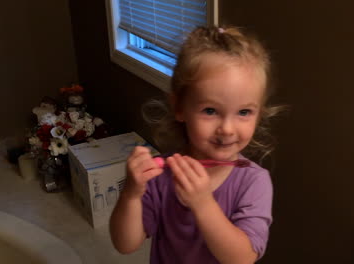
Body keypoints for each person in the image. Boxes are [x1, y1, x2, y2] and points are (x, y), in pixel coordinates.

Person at [110, 26, 282, 264]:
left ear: (259, 114)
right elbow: (125, 244)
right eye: (210, 110)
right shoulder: (161, 175)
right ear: (180, 107)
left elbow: (242, 258)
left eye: (244, 112)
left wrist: (202, 203)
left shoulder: (254, 181)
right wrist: (130, 194)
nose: (227, 129)